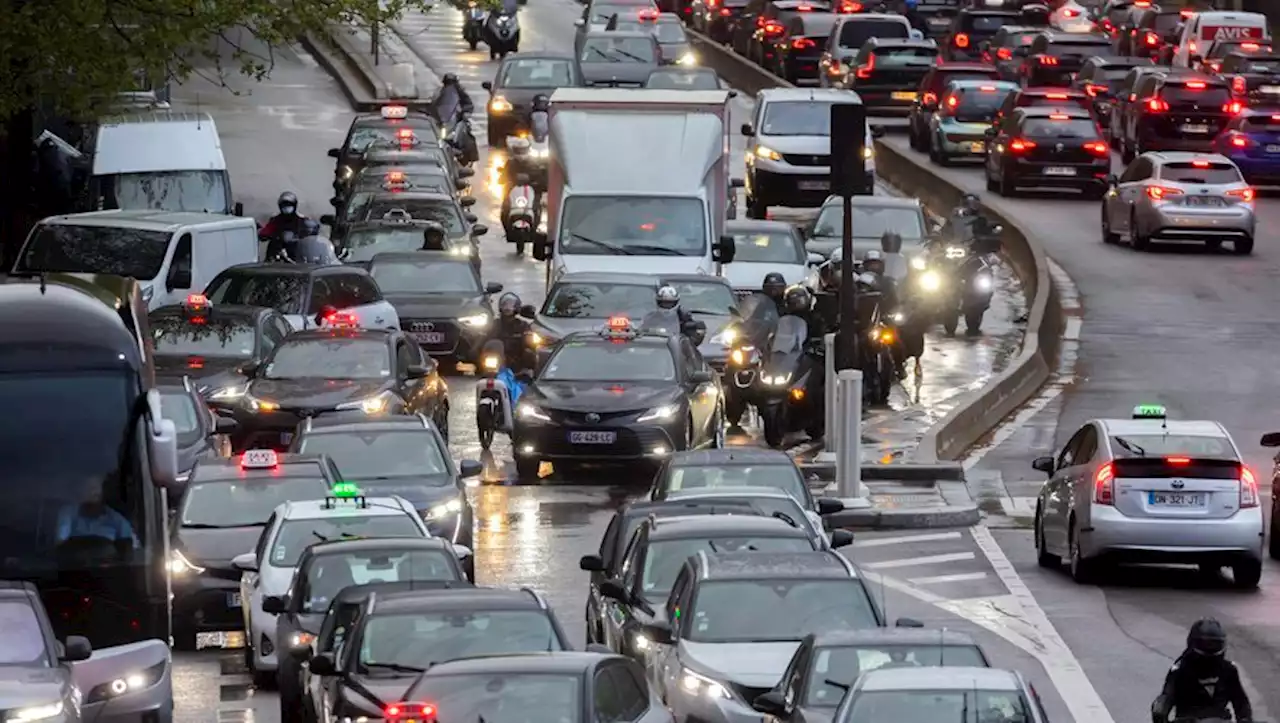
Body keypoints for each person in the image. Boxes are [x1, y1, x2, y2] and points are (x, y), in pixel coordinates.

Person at [1152, 618, 1253, 723]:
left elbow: (1241, 703)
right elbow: (1166, 697)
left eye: (1215, 644)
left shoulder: (1229, 669)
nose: (1211, 648)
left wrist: (1245, 719)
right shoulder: (1180, 670)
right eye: (1207, 644)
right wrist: (1160, 711)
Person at [56, 477, 138, 551]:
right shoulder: (69, 513)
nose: (93, 492)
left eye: (96, 488)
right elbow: (60, 542)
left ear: (102, 492)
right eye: (88, 488)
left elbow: (133, 549)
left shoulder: (116, 520)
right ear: (80, 492)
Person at [260, 192, 318, 260]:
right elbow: (266, 231)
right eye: (284, 205)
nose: (286, 207)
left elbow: (312, 229)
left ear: (295, 205)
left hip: (298, 253)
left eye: (289, 205)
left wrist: (309, 233)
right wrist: (264, 234)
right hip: (278, 253)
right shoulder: (275, 220)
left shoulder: (302, 220)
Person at [492, 292, 533, 371]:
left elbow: (530, 344)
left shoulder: (523, 325)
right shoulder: (494, 324)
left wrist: (528, 340)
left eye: (511, 305)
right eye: (505, 304)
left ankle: (526, 372)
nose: (507, 308)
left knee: (529, 353)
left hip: (517, 361)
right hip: (496, 360)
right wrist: (475, 349)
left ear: (516, 307)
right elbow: (484, 338)